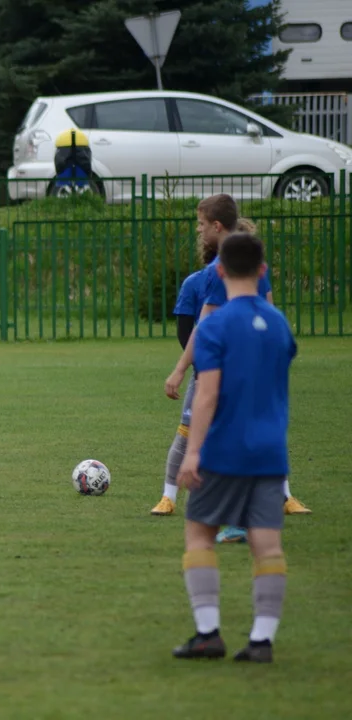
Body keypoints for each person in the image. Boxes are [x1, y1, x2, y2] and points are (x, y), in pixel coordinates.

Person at [172, 231, 295, 663]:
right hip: (270, 453)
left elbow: (207, 394)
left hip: (224, 450)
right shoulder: (279, 324)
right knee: (268, 545)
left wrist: (192, 453)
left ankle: (208, 633)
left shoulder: (216, 325)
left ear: (219, 271)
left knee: (199, 534)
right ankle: (261, 640)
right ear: (263, 272)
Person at [162, 194, 310, 532]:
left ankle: (241, 513)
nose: (199, 231)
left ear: (216, 226)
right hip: (247, 365)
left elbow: (207, 327)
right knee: (258, 429)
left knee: (224, 432)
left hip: (232, 366)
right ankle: (255, 509)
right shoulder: (245, 269)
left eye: (201, 225)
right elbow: (271, 319)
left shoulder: (221, 272)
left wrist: (181, 368)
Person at [150, 216, 249, 516]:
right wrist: (186, 366)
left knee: (253, 432)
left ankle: (280, 496)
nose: (198, 229)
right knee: (188, 430)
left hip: (243, 369)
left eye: (201, 223)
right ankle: (169, 497)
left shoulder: (258, 275)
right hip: (209, 368)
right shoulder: (208, 279)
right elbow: (196, 328)